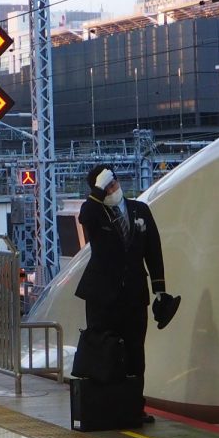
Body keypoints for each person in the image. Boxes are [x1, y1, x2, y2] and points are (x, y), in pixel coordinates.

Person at [74, 165, 167, 424]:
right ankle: (104, 407)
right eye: (108, 187)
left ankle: (134, 407)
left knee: (135, 351)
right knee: (103, 349)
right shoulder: (95, 212)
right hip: (102, 296)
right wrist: (98, 189)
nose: (113, 189)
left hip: (134, 295)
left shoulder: (140, 211)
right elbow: (84, 217)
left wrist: (159, 289)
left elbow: (154, 252)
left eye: (113, 183)